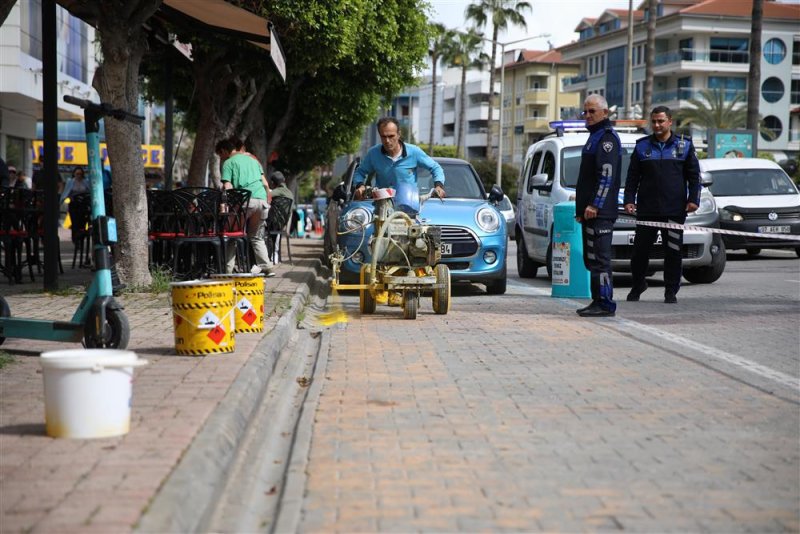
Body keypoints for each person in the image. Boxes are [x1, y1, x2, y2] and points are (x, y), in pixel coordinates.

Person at [624, 105, 701, 304]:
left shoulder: (685, 145)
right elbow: (632, 177)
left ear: (670, 121)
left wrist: (693, 199)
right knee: (639, 252)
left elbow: (694, 177)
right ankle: (638, 284)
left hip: (674, 210)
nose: (657, 125)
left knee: (673, 252)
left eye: (661, 121)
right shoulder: (641, 146)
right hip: (647, 210)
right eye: (654, 121)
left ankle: (670, 291)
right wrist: (629, 200)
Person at [574, 94, 622, 318]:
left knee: (600, 260)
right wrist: (581, 207)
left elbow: (606, 176)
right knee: (591, 259)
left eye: (592, 111)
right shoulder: (594, 137)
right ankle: (597, 300)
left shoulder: (606, 139)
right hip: (589, 213)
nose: (588, 116)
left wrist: (594, 204)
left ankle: (605, 303)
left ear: (605, 113)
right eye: (585, 111)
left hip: (600, 213)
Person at [215, 138, 275, 277]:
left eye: (220, 155)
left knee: (232, 234)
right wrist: (267, 201)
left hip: (245, 202)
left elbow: (227, 186)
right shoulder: (254, 161)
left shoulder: (228, 163)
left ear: (224, 151)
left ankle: (227, 270)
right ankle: (267, 266)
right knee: (256, 236)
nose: (221, 158)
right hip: (262, 201)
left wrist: (226, 204)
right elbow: (265, 184)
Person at [353, 116, 446, 200]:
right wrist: (360, 186)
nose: (387, 141)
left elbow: (435, 168)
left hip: (409, 205)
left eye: (391, 136)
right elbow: (359, 172)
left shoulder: (414, 152)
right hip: (381, 206)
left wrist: (438, 186)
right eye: (383, 136)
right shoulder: (373, 154)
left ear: (399, 134)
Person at [265, 171, 294, 263]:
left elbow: (266, 197)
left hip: (273, 224)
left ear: (273, 183)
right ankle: (275, 255)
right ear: (284, 180)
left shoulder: (275, 192)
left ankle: (265, 257)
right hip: (284, 223)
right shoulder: (290, 193)